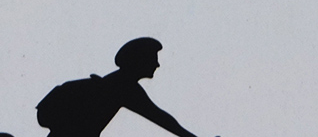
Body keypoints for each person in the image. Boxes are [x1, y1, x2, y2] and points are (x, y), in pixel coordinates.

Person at [36, 38, 200, 137]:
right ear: (139, 60)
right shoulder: (123, 87)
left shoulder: (119, 84)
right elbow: (161, 118)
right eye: (152, 59)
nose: (157, 64)